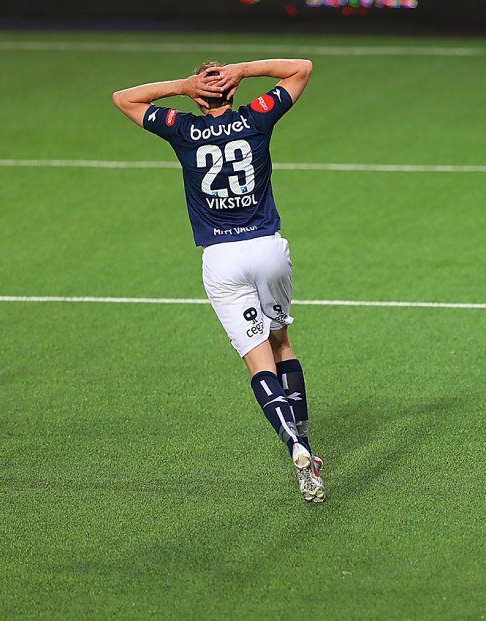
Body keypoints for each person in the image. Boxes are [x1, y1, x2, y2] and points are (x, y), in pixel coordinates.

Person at [113, 58, 325, 502]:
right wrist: (243, 70)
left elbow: (124, 98)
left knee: (258, 361)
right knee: (281, 343)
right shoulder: (257, 116)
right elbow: (302, 68)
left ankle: (294, 444)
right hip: (267, 248)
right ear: (230, 90)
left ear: (199, 96)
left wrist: (182, 85)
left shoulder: (183, 128)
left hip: (221, 258)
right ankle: (306, 442)